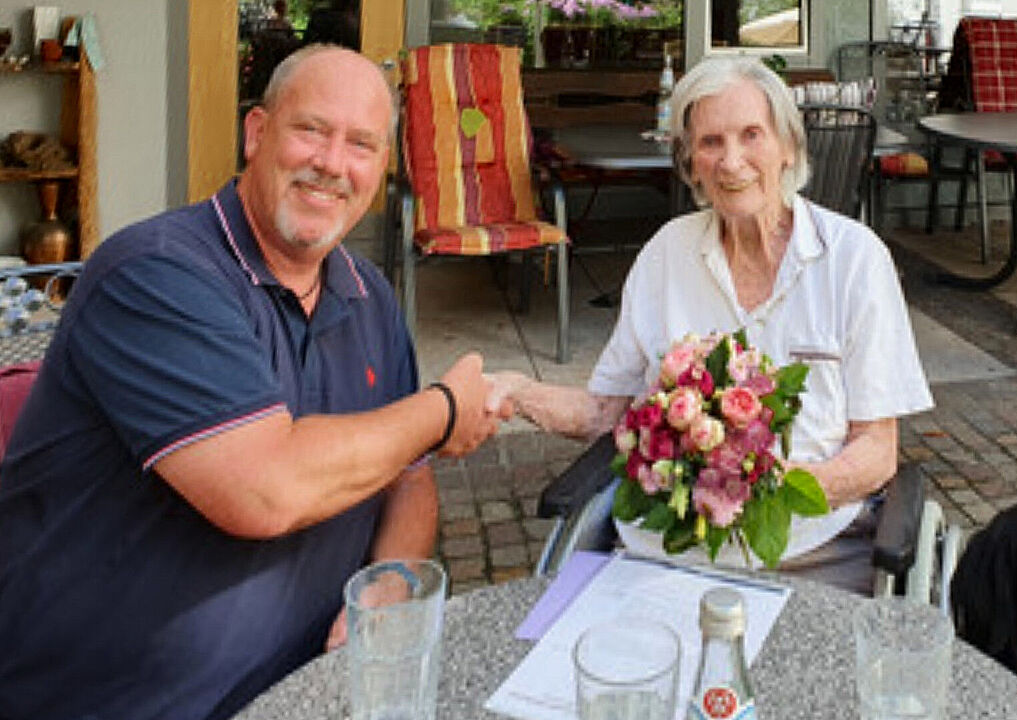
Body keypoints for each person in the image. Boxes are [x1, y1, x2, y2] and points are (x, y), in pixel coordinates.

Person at [0, 45, 507, 720]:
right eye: (311, 130)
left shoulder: (369, 296)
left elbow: (407, 477)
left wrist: (393, 577)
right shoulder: (155, 274)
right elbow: (263, 487)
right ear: (257, 133)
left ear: (382, 167)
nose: (332, 163)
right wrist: (445, 410)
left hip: (302, 691)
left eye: (361, 144)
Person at [493, 56, 933, 594]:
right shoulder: (666, 255)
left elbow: (876, 451)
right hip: (668, 549)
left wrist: (766, 491)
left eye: (752, 135)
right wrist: (517, 391)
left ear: (788, 147)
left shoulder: (854, 258)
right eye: (710, 143)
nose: (731, 162)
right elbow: (608, 409)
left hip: (814, 549)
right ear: (690, 164)